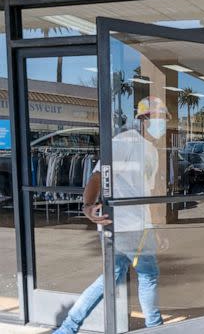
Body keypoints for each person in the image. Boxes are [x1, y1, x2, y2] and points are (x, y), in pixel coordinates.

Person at [53, 96, 170, 334]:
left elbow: (145, 194)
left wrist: (153, 227)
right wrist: (87, 205)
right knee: (148, 274)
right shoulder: (124, 141)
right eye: (160, 118)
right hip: (123, 224)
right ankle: (155, 327)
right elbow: (97, 176)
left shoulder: (151, 151)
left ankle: (68, 328)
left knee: (112, 277)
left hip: (139, 224)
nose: (163, 124)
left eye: (164, 119)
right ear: (144, 119)